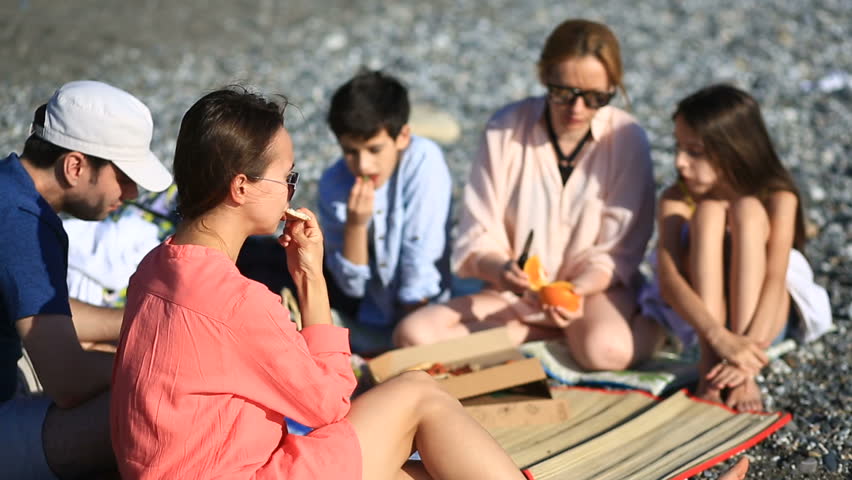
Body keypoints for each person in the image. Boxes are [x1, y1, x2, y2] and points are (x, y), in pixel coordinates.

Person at [110, 87, 526, 480]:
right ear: (241, 187)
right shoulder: (238, 302)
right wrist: (311, 279)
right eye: (288, 177)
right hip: (239, 471)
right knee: (418, 391)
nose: (292, 191)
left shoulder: (153, 269)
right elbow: (328, 405)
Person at [394, 19, 662, 371]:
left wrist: (577, 291)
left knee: (606, 351)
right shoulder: (505, 128)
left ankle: (655, 326)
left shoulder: (626, 137)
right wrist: (502, 270)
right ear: (543, 76)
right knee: (413, 336)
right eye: (563, 93)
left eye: (596, 98)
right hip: (514, 293)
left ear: (613, 87)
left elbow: (620, 251)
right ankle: (537, 334)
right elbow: (478, 233)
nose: (577, 109)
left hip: (593, 293)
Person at [0, 80, 172, 479]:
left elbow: (43, 311)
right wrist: (167, 364)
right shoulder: (23, 225)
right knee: (151, 404)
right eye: (124, 176)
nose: (130, 194)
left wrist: (141, 322)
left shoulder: (10, 190)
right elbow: (68, 381)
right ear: (75, 166)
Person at [640, 84, 832, 411]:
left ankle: (742, 377)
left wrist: (745, 360)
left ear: (734, 149)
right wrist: (717, 338)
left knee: (745, 209)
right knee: (710, 212)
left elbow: (774, 278)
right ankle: (709, 366)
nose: (680, 162)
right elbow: (669, 280)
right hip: (703, 326)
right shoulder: (677, 198)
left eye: (694, 151)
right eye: (678, 148)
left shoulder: (778, 197)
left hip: (765, 318)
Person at [318, 70, 453, 354]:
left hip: (425, 312)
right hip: (369, 314)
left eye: (374, 149)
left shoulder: (423, 161)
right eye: (351, 152)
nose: (364, 165)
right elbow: (350, 287)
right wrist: (355, 225)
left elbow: (419, 263)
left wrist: (411, 347)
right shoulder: (333, 183)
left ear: (403, 136)